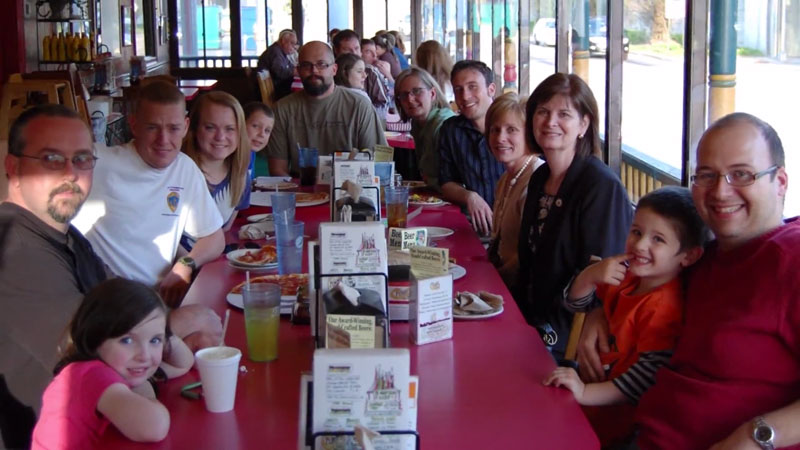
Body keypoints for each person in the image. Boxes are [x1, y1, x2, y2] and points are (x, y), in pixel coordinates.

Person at [0, 104, 222, 449]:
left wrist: (161, 336)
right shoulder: (13, 248)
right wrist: (176, 324)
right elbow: (86, 352)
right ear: (13, 167)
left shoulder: (67, 236)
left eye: (82, 159)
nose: (70, 174)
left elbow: (120, 309)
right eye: (51, 159)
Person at [576, 113, 799, 450]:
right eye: (707, 175)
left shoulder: (791, 258)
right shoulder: (700, 260)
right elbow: (632, 286)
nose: (721, 192)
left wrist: (758, 437)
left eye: (742, 174)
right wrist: (599, 313)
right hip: (639, 432)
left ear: (780, 181)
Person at [543, 186, 706, 447]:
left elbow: (645, 377)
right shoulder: (627, 274)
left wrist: (585, 392)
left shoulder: (663, 307)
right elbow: (577, 304)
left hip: (617, 425)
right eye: (637, 232)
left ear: (689, 256)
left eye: (658, 239)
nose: (640, 245)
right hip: (589, 402)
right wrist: (590, 275)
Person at [73, 81, 225, 306]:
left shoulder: (184, 168)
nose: (163, 140)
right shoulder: (97, 162)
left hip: (159, 299)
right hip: (107, 302)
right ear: (134, 125)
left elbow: (214, 238)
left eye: (173, 128)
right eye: (152, 127)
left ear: (185, 127)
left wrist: (186, 263)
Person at [517, 73, 632, 362]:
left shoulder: (601, 186)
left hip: (570, 339)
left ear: (583, 124)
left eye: (563, 114)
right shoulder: (540, 176)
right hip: (531, 322)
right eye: (542, 112)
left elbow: (605, 280)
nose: (550, 121)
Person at [32, 278, 194, 447]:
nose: (144, 355)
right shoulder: (91, 374)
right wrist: (145, 392)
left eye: (154, 340)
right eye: (127, 340)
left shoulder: (121, 367)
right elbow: (154, 427)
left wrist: (161, 329)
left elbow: (183, 363)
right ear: (95, 337)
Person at [266, 41, 387, 177]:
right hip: (300, 191)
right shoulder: (282, 109)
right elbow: (278, 169)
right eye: (306, 65)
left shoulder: (359, 106)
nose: (314, 71)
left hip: (350, 190)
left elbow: (379, 162)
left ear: (334, 69)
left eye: (322, 64)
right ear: (298, 71)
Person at [438, 60, 506, 235]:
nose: (465, 96)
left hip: (513, 227)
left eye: (472, 87)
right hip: (475, 227)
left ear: (491, 89)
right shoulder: (451, 130)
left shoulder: (512, 125)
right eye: (458, 90)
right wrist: (470, 196)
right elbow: (446, 182)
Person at [484, 93, 544, 291]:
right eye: (495, 130)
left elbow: (528, 255)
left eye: (511, 130)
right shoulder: (504, 179)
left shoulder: (536, 179)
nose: (500, 138)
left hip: (520, 292)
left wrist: (490, 281)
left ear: (529, 134)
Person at [182, 91, 251, 233]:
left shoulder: (240, 176)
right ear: (194, 129)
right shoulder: (180, 173)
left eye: (230, 128)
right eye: (210, 128)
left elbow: (223, 231)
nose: (220, 137)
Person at [394, 67, 454, 189]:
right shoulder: (417, 125)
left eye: (416, 91)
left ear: (432, 94)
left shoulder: (443, 126)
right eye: (404, 95)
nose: (410, 99)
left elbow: (452, 179)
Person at [331, 30, 393, 119]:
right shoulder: (330, 73)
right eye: (347, 50)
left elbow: (383, 107)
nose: (354, 53)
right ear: (336, 51)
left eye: (356, 48)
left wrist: (358, 113)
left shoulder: (370, 72)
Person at [256, 29, 298, 101]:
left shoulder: (281, 52)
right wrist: (294, 72)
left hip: (277, 89)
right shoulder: (275, 52)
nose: (294, 47)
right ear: (283, 41)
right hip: (275, 93)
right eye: (292, 43)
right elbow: (278, 72)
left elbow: (290, 66)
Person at [243, 101, 274, 177]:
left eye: (267, 130)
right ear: (241, 124)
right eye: (255, 126)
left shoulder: (251, 153)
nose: (262, 134)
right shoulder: (231, 156)